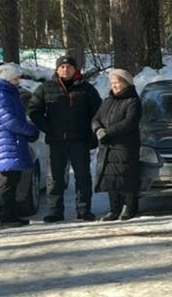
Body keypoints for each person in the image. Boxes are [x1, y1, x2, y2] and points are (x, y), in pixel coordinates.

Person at [29, 54, 102, 222]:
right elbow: (34, 111)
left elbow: (98, 113)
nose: (65, 69)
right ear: (57, 69)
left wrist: (92, 134)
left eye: (69, 66)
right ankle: (55, 211)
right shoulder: (46, 88)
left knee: (83, 176)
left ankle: (84, 209)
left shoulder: (86, 89)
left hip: (80, 140)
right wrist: (48, 129)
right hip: (56, 141)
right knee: (54, 178)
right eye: (62, 67)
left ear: (75, 69)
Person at [0, 63, 38, 230]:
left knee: (13, 180)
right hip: (7, 141)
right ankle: (1, 219)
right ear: (7, 78)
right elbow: (9, 120)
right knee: (7, 181)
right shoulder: (0, 94)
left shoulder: (8, 92)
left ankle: (11, 215)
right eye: (15, 78)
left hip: (12, 141)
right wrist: (29, 130)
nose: (18, 81)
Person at [93, 68, 143, 221]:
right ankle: (114, 209)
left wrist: (108, 132)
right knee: (110, 178)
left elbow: (129, 123)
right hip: (107, 145)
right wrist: (98, 129)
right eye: (112, 82)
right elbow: (96, 117)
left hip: (125, 145)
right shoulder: (107, 101)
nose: (114, 85)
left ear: (126, 84)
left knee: (126, 176)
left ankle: (128, 207)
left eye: (117, 82)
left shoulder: (133, 101)